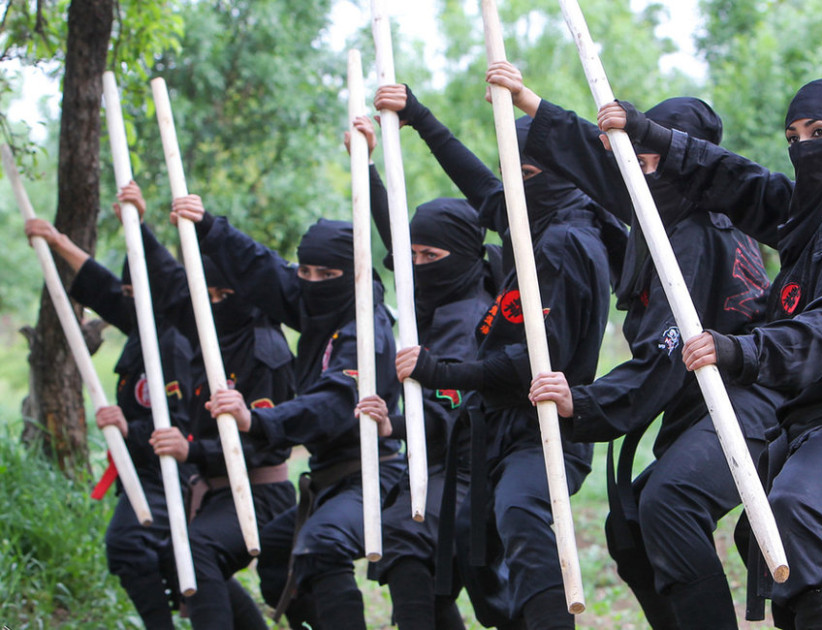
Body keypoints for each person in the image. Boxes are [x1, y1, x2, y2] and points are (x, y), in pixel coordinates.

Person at [605, 79, 822, 629]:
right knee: (754, 536)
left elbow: (818, 335)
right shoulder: (811, 213)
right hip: (799, 427)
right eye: (794, 137)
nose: (805, 149)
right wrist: (649, 134)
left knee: (792, 511)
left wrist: (735, 349)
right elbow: (739, 181)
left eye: (821, 133)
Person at [482, 62, 784, 629]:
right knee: (628, 529)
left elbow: (672, 347)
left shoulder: (696, 230)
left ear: (689, 163)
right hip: (704, 406)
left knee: (667, 503)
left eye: (651, 163)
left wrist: (585, 401)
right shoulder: (663, 207)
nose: (639, 178)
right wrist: (529, 100)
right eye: (634, 166)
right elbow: (595, 166)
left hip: (751, 406)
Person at [376, 82, 622, 629]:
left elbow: (531, 365)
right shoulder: (530, 218)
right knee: (480, 555)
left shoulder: (565, 243)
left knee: (521, 516)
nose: (511, 187)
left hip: (546, 427)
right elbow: (481, 185)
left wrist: (442, 371)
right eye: (512, 172)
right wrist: (419, 118)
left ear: (562, 172)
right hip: (501, 428)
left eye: (526, 173)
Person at [172, 196, 405, 630]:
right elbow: (260, 267)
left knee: (321, 543)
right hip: (326, 477)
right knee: (280, 555)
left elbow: (336, 404)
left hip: (374, 474)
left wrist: (256, 421)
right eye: (305, 271)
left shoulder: (365, 329)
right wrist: (207, 226)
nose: (312, 281)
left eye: (326, 274)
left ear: (350, 273)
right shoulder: (314, 302)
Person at [347, 114, 499, 629]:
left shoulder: (473, 315)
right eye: (411, 256)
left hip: (471, 468)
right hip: (433, 464)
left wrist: (394, 424)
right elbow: (398, 240)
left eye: (429, 255)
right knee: (418, 565)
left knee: (407, 538)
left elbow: (453, 405)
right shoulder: (431, 296)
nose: (417, 265)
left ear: (460, 257)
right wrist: (365, 165)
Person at [25, 182, 196, 629]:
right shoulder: (146, 322)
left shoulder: (174, 340)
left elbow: (181, 427)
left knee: (128, 544)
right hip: (143, 469)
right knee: (177, 564)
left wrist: (125, 428)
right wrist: (58, 242)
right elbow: (102, 288)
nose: (127, 298)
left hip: (170, 474)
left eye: (136, 290)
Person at [137, 195, 297, 630]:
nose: (215, 303)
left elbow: (267, 443)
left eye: (225, 294)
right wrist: (140, 227)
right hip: (215, 488)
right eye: (207, 295)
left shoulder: (266, 352)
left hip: (262, 495)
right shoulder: (208, 340)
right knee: (173, 553)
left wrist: (192, 451)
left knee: (195, 549)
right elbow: (170, 284)